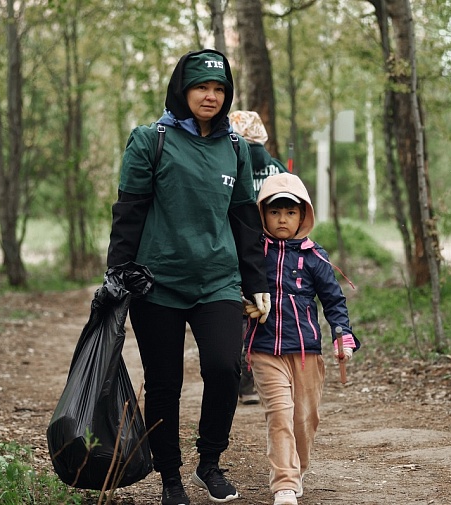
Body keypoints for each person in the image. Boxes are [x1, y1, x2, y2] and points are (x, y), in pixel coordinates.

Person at [106, 49, 269, 505]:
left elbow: (243, 218)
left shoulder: (236, 148)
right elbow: (129, 213)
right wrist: (117, 276)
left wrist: (255, 280)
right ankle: (170, 478)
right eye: (202, 87)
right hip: (157, 283)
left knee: (225, 367)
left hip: (217, 279)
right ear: (182, 90)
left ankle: (209, 462)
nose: (211, 96)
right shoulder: (148, 140)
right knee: (164, 382)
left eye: (219, 89)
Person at [242, 172, 361, 505]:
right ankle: (284, 482)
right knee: (279, 415)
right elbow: (235, 286)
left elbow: (334, 301)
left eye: (291, 212)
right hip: (265, 350)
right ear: (262, 213)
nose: (283, 219)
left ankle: (298, 468)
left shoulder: (314, 256)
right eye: (275, 212)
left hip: (307, 352)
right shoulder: (252, 254)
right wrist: (243, 301)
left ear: (303, 215)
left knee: (304, 419)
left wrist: (342, 337)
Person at [229, 110, 288, 406]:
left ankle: (242, 381)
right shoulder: (278, 170)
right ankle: (263, 380)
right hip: (271, 252)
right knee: (264, 311)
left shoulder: (227, 162)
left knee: (239, 314)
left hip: (234, 250)